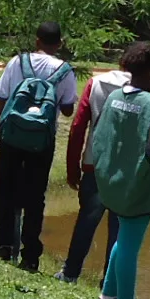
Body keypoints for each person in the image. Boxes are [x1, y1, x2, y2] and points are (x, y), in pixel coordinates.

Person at [86, 42, 150, 299]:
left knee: (122, 240)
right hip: (139, 188)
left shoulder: (113, 97)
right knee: (129, 246)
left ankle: (106, 298)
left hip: (114, 182)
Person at [0, 22, 79, 271]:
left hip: (12, 136)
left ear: (36, 40)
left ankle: (4, 245)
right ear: (59, 44)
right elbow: (68, 110)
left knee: (6, 189)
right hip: (42, 142)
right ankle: (30, 256)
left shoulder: (17, 62)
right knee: (35, 197)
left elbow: (1, 98)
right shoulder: (65, 70)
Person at [57, 64, 129, 284]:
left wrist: (73, 168)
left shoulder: (96, 82)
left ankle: (70, 272)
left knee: (86, 222)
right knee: (118, 229)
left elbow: (78, 127)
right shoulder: (143, 89)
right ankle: (108, 283)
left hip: (93, 165)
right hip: (123, 172)